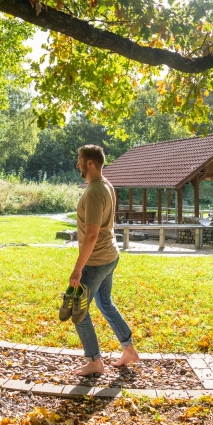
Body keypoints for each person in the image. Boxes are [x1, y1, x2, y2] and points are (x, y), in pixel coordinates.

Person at [66, 144, 139, 376]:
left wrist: (77, 270)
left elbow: (92, 234)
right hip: (110, 256)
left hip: (96, 261)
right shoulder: (106, 185)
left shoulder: (96, 191)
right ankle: (129, 349)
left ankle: (94, 361)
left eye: (79, 160)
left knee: (79, 311)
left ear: (89, 163)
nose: (77, 164)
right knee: (104, 303)